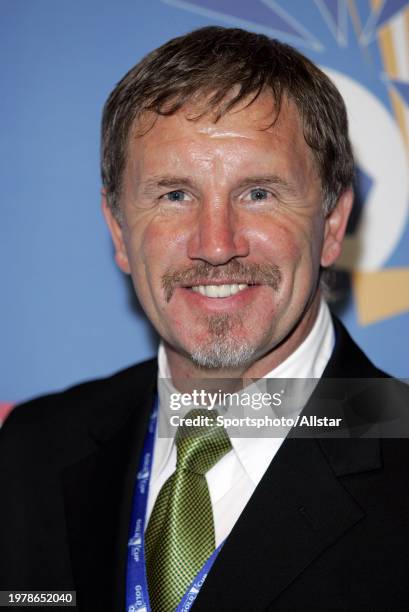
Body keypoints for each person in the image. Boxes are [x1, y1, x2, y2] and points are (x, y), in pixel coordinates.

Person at [1, 26, 408, 612]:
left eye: (259, 193)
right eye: (174, 195)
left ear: (334, 224)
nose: (216, 246)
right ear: (119, 231)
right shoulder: (31, 452)